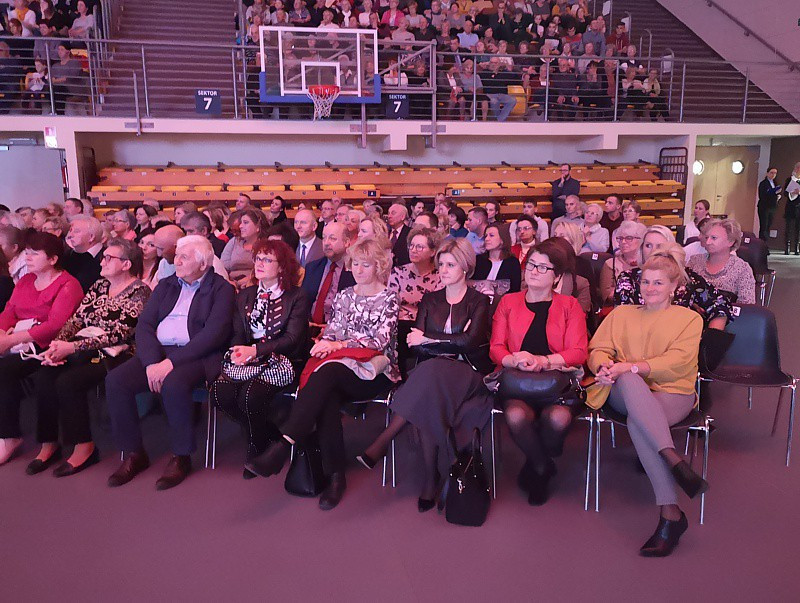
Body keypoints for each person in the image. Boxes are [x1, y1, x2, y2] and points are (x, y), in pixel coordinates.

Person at [247, 239, 399, 511]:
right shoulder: (346, 295)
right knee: (326, 392)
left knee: (326, 372)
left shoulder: (388, 297)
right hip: (339, 368)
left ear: (379, 266)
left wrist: (338, 345)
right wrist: (325, 343)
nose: (360, 270)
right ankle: (335, 476)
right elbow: (331, 332)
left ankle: (284, 444)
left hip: (374, 370)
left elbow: (378, 341)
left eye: (367, 264)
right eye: (355, 264)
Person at [587, 251, 707, 557]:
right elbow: (598, 348)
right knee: (628, 381)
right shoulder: (621, 314)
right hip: (622, 390)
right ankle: (672, 458)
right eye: (645, 281)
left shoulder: (689, 318)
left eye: (658, 282)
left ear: (674, 287)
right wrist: (604, 366)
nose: (649, 288)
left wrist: (633, 366)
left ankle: (671, 514)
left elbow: (678, 362)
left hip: (673, 392)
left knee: (637, 422)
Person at [358, 238, 492, 510]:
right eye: (441, 264)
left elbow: (468, 342)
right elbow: (413, 343)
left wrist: (431, 339)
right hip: (432, 371)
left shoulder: (480, 301)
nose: (443, 270)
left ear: (465, 267)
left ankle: (389, 443)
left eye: (450, 264)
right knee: (430, 385)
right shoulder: (430, 299)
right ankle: (431, 477)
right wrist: (445, 340)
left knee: (430, 374)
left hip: (468, 371)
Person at [105, 236, 235, 490]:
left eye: (184, 257)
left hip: (196, 354)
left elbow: (213, 334)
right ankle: (134, 453)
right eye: (177, 255)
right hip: (158, 352)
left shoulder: (222, 288)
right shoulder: (166, 285)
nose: (177, 260)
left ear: (203, 264)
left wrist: (169, 364)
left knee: (174, 383)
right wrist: (153, 361)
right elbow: (145, 325)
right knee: (116, 381)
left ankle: (181, 455)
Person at [28, 239, 150, 477]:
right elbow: (77, 319)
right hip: (82, 347)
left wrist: (71, 349)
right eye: (103, 257)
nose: (102, 262)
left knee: (68, 382)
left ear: (126, 264)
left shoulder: (140, 291)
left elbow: (119, 334)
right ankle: (49, 442)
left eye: (108, 258)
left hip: (118, 353)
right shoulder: (99, 285)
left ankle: (84, 446)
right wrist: (57, 345)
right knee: (46, 374)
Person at [491, 238, 588, 504]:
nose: (533, 271)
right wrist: (514, 360)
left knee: (558, 419)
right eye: (531, 264)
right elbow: (496, 348)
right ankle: (542, 466)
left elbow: (579, 352)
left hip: (557, 385)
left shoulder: (569, 306)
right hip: (516, 383)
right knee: (515, 415)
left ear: (556, 277)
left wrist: (543, 361)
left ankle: (538, 459)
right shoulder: (508, 302)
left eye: (542, 268)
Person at [211, 240, 309, 478]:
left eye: (267, 260)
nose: (260, 264)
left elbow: (292, 339)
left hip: (284, 361)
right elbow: (238, 333)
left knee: (249, 395)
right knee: (218, 392)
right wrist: (238, 350)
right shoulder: (245, 295)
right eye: (258, 259)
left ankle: (255, 447)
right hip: (250, 359)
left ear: (282, 267)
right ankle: (268, 435)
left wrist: (256, 351)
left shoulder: (297, 296)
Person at [0, 233, 84, 465]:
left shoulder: (68, 284)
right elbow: (9, 310)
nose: (27, 257)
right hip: (23, 344)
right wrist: (2, 332)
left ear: (53, 259)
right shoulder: (26, 281)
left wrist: (12, 339)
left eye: (35, 253)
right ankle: (8, 435)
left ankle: (49, 443)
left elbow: (55, 325)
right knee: (3, 370)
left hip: (55, 346)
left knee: (46, 380)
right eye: (26, 252)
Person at [615, 229, 733, 329]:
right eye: (648, 245)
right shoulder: (627, 278)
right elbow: (622, 320)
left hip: (681, 342)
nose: (653, 251)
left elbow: (720, 304)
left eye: (659, 246)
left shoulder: (688, 278)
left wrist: (709, 341)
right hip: (637, 341)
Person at [387, 227, 441, 372]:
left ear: (432, 251)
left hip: (425, 326)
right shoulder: (398, 273)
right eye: (411, 245)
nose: (413, 250)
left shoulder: (439, 276)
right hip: (399, 325)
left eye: (419, 247)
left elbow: (437, 310)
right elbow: (390, 306)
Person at [687, 219, 756, 304]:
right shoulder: (694, 261)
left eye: (714, 238)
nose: (708, 242)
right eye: (706, 237)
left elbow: (746, 306)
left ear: (730, 242)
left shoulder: (742, 269)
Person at [301, 222, 355, 326]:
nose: (326, 243)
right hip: (310, 328)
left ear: (347, 242)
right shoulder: (312, 267)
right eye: (324, 238)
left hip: (339, 332)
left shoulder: (354, 271)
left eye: (332, 238)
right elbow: (302, 302)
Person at [600, 220, 646, 304]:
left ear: (641, 240)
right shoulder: (610, 264)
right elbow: (606, 296)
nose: (623, 242)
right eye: (620, 238)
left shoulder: (649, 263)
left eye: (629, 238)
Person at [221, 207, 266, 289]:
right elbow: (223, 266)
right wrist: (230, 282)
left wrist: (251, 278)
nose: (240, 226)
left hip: (255, 284)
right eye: (241, 223)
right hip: (231, 283)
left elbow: (268, 269)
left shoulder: (266, 245)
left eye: (245, 222)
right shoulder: (234, 241)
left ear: (258, 227)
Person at [473, 223, 521, 293]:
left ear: (502, 239)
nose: (487, 239)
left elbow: (515, 289)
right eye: (486, 236)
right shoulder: (478, 260)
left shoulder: (512, 263)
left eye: (491, 235)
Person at [63, 215, 104, 293]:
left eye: (76, 231)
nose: (71, 235)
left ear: (91, 237)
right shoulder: (67, 256)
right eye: (70, 231)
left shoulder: (106, 258)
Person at [757, 167, 781, 242]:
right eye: (771, 172)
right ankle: (761, 245)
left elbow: (774, 193)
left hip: (772, 207)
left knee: (768, 226)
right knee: (763, 226)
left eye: (775, 173)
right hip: (764, 207)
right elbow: (762, 196)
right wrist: (773, 193)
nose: (773, 175)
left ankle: (765, 244)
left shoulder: (775, 183)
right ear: (767, 173)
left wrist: (777, 197)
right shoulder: (763, 183)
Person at [783, 162, 800, 255]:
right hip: (790, 207)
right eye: (798, 168)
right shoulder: (789, 179)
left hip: (799, 207)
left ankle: (797, 248)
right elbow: (785, 193)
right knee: (788, 228)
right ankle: (787, 248)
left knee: (798, 229)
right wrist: (792, 191)